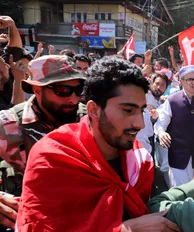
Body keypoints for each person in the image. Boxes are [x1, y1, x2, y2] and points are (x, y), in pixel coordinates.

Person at [16, 56, 180, 232]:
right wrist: (125, 230)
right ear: (94, 110)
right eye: (128, 111)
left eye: (141, 111)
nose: (139, 123)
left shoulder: (140, 161)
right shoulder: (51, 158)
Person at [0, 55, 87, 229]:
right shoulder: (7, 125)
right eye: (62, 91)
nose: (73, 99)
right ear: (37, 90)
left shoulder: (90, 121)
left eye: (78, 90)